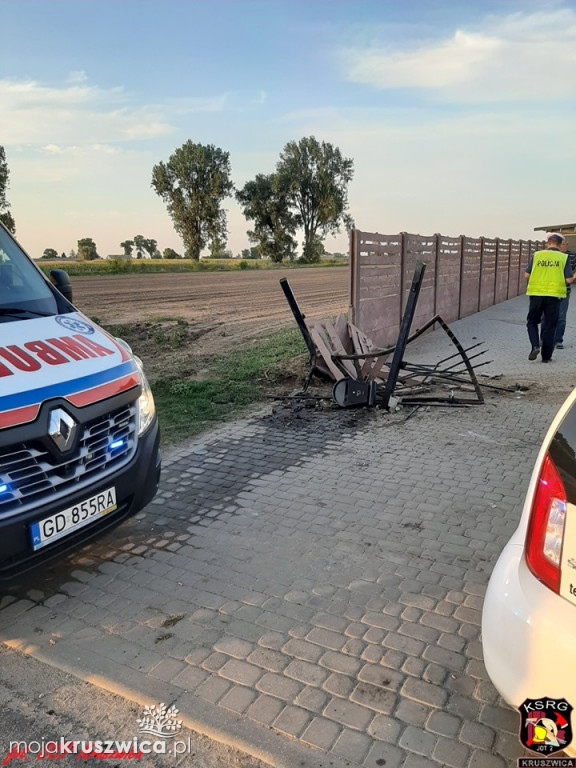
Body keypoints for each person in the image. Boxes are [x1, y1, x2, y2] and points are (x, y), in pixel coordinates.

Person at [525, 233, 574, 362]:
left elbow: (526, 275)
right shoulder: (564, 257)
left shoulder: (537, 255)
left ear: (547, 244)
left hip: (536, 294)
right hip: (554, 296)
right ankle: (546, 357)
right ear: (559, 245)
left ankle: (535, 345)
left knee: (532, 322)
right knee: (550, 326)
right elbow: (569, 280)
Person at [542, 245, 576, 349]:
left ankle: (558, 340)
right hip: (549, 290)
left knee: (561, 316)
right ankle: (543, 339)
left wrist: (572, 277)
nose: (560, 246)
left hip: (564, 291)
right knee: (545, 316)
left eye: (562, 244)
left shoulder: (572, 256)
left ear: (566, 244)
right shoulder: (548, 255)